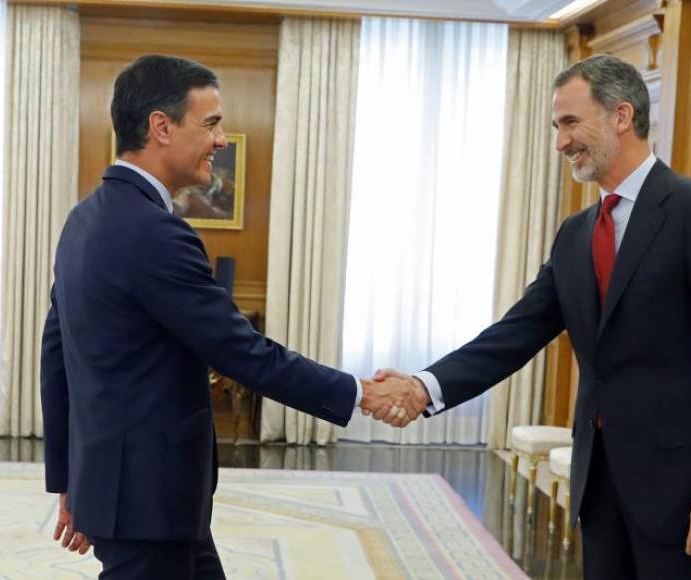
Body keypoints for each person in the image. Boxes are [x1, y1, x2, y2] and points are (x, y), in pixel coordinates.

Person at [373, 55, 691, 579]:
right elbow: (515, 333)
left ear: (621, 116)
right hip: (601, 487)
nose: (560, 142)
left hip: (686, 496)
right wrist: (425, 387)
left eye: (569, 123)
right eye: (556, 127)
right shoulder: (577, 233)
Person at [40, 54, 425, 579]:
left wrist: (71, 480)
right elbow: (242, 352)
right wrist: (360, 392)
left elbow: (56, 353)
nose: (221, 140)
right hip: (146, 500)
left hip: (132, 495)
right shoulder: (155, 233)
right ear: (161, 126)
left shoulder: (83, 220)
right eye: (212, 123)